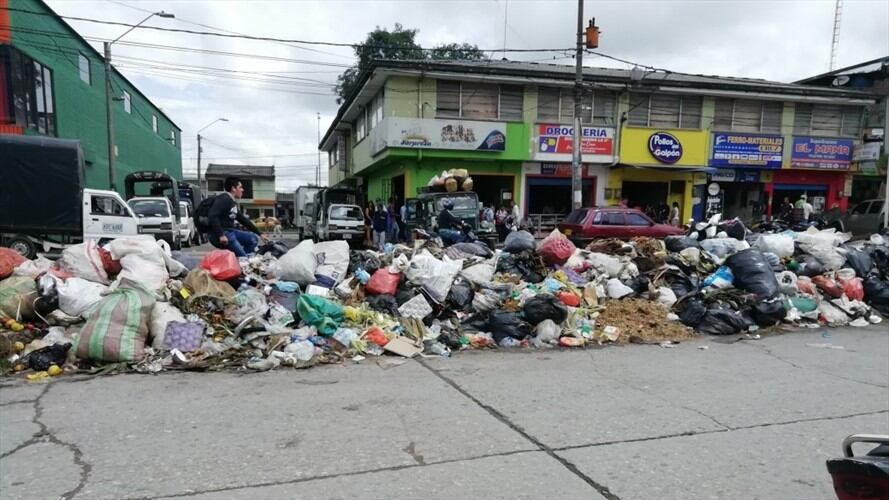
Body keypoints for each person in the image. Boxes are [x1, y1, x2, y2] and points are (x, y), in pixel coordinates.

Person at [207, 177, 266, 257]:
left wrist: (260, 233)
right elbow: (212, 215)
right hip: (221, 234)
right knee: (243, 257)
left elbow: (243, 220)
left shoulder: (232, 202)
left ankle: (240, 262)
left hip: (230, 231)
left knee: (253, 239)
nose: (242, 190)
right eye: (240, 187)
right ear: (233, 188)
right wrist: (221, 235)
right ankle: (243, 261)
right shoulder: (224, 199)